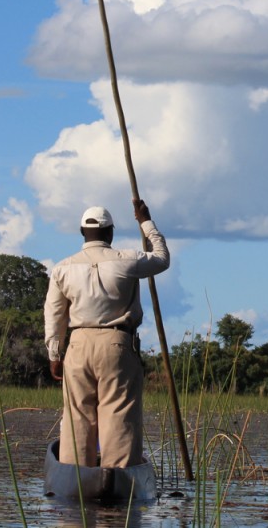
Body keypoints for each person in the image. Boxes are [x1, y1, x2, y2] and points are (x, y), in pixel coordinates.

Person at [44, 198, 169, 468]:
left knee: (78, 414)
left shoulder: (62, 268)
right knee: (118, 413)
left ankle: (75, 476)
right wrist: (146, 222)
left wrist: (54, 353)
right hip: (117, 344)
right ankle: (116, 476)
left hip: (77, 346)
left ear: (81, 233)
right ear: (110, 233)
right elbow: (161, 259)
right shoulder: (128, 259)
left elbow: (54, 315)